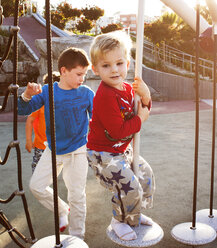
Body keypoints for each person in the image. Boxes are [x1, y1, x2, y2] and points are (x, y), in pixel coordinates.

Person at [18, 47, 94, 240]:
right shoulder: (47, 91)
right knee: (36, 186)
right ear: (63, 71)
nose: (82, 78)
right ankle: (62, 209)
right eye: (78, 74)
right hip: (53, 150)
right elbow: (23, 109)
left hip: (78, 150)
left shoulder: (86, 93)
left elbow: (96, 119)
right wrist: (27, 94)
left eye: (84, 74)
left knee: (77, 195)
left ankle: (78, 237)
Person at [87, 31, 155, 241]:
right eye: (106, 65)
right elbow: (119, 130)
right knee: (128, 185)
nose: (114, 69)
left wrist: (146, 95)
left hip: (122, 150)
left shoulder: (128, 88)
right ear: (95, 69)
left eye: (119, 63)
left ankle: (134, 213)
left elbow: (142, 109)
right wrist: (141, 119)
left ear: (127, 62)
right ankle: (118, 220)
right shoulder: (105, 96)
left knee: (146, 177)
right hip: (103, 154)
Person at [25, 72, 60, 173]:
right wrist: (28, 141)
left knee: (53, 171)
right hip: (41, 146)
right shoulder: (40, 102)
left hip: (58, 145)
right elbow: (30, 121)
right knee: (37, 172)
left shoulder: (62, 102)